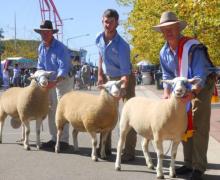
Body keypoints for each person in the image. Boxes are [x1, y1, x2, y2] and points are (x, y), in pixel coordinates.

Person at [153, 11, 215, 180]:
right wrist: (166, 94)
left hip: (200, 86)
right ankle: (188, 164)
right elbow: (166, 77)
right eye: (164, 30)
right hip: (181, 90)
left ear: (178, 28)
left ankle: (198, 167)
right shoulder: (163, 52)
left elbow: (200, 75)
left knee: (198, 123)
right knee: (183, 123)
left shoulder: (192, 47)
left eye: (171, 28)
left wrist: (192, 94)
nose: (168, 32)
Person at [95, 9, 136, 161]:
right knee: (105, 112)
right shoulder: (98, 38)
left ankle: (129, 152)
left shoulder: (123, 46)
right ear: (102, 21)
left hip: (124, 79)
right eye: (106, 21)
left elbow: (125, 73)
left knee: (128, 114)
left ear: (117, 22)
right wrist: (100, 74)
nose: (108, 24)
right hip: (109, 78)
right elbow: (100, 55)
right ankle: (105, 148)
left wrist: (122, 90)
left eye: (111, 21)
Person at [34, 20, 74, 151]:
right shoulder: (41, 47)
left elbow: (63, 68)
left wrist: (54, 83)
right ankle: (54, 138)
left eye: (46, 32)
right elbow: (40, 66)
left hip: (64, 79)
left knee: (62, 109)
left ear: (52, 32)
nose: (44, 35)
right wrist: (41, 78)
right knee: (51, 108)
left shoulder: (60, 48)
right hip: (49, 80)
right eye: (42, 32)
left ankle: (63, 140)